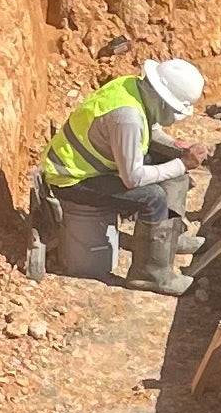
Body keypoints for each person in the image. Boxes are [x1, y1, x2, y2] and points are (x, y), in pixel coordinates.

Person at [37, 57, 205, 291]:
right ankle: (150, 275)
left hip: (90, 166)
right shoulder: (128, 117)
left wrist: (179, 150)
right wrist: (182, 164)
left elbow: (151, 131)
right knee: (153, 196)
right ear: (164, 101)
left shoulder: (133, 88)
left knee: (173, 172)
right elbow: (133, 178)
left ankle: (167, 242)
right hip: (72, 179)